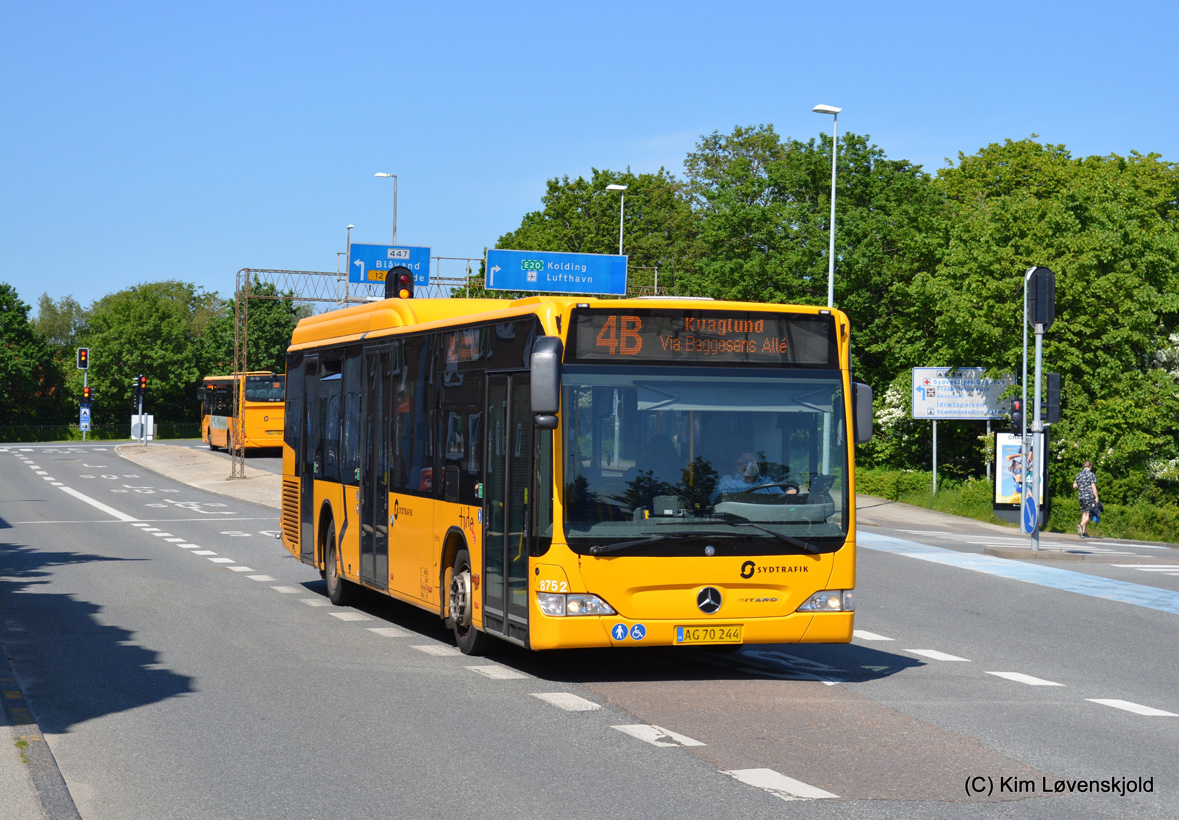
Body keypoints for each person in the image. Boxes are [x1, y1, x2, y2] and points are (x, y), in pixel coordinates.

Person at [711, 452, 785, 502]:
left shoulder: (766, 481)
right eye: (744, 462)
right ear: (736, 465)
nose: (749, 465)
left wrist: (789, 493)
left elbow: (782, 499)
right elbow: (719, 499)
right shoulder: (727, 481)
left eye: (752, 461)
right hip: (734, 521)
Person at [1073, 460, 1100, 538]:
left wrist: (1081, 486)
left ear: (1083, 466)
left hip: (1080, 497)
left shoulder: (1079, 475)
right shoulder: (1091, 475)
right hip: (1088, 497)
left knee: (1085, 513)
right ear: (1090, 466)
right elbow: (1093, 487)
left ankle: (1083, 532)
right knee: (1090, 514)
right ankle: (1081, 525)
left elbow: (1074, 486)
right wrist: (1096, 496)